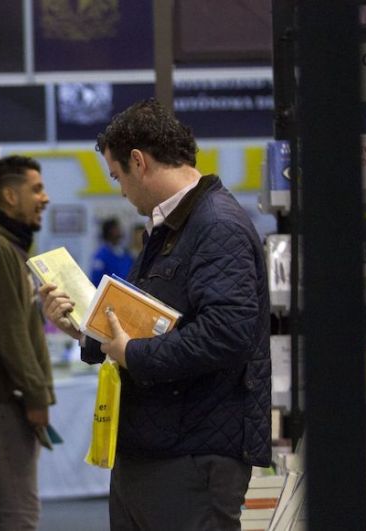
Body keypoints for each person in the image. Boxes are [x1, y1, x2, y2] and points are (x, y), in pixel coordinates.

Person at [40, 99, 271, 530]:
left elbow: (227, 332)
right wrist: (83, 330)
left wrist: (135, 355)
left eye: (117, 177)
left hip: (191, 456)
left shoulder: (216, 225)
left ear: (138, 162)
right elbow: (145, 318)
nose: (121, 191)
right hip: (158, 447)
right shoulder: (173, 227)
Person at [0, 155, 52, 530]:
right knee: (20, 514)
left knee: (17, 512)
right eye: (36, 189)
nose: (45, 198)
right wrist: (36, 396)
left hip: (6, 397)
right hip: (3, 400)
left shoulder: (8, 247)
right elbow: (10, 334)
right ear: (9, 195)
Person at [89, 217, 134, 285]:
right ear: (109, 231)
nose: (119, 231)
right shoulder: (101, 255)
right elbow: (96, 280)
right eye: (116, 229)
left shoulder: (126, 254)